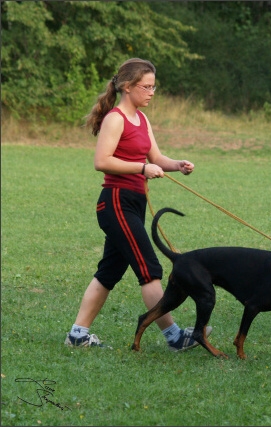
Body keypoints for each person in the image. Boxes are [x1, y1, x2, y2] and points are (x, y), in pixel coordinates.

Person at [65, 58, 211, 350]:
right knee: (149, 269)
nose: (152, 92)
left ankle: (77, 335)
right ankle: (174, 337)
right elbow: (102, 161)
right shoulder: (115, 118)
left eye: (153, 86)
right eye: (146, 86)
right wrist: (141, 169)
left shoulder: (142, 120)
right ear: (128, 87)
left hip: (133, 203)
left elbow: (156, 158)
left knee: (109, 272)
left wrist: (177, 164)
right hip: (116, 202)